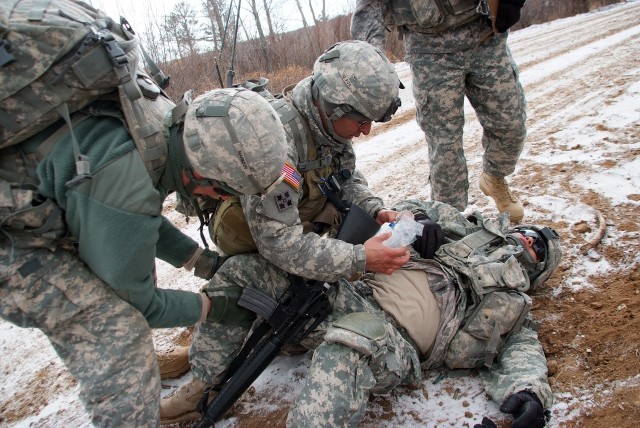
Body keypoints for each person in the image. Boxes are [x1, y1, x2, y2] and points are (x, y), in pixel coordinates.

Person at [0, 87, 289, 427]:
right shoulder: (125, 178)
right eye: (223, 189)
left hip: (51, 195)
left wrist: (203, 262)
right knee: (120, 335)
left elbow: (140, 221)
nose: (218, 197)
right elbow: (142, 304)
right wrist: (215, 305)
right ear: (199, 172)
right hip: (15, 245)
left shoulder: (164, 128)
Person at [159, 40, 410, 424]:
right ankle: (204, 381)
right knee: (243, 281)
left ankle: (218, 333)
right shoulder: (274, 144)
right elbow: (280, 245)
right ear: (333, 107)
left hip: (295, 228)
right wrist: (360, 259)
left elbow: (343, 178)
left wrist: (375, 208)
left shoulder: (331, 132)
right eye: (361, 121)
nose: (366, 130)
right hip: (258, 238)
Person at [287, 199, 561, 427]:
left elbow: (524, 356)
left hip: (390, 340)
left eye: (538, 248)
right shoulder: (465, 229)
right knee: (264, 273)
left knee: (349, 345)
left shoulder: (513, 308)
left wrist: (530, 394)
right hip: (352, 291)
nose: (528, 239)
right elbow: (404, 208)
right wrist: (418, 218)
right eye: (530, 233)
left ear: (537, 272)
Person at [351, 0, 528, 223]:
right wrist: (372, 63)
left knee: (511, 125)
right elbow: (369, 8)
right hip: (429, 50)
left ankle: (494, 176)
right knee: (445, 147)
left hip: (484, 36)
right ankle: (449, 222)